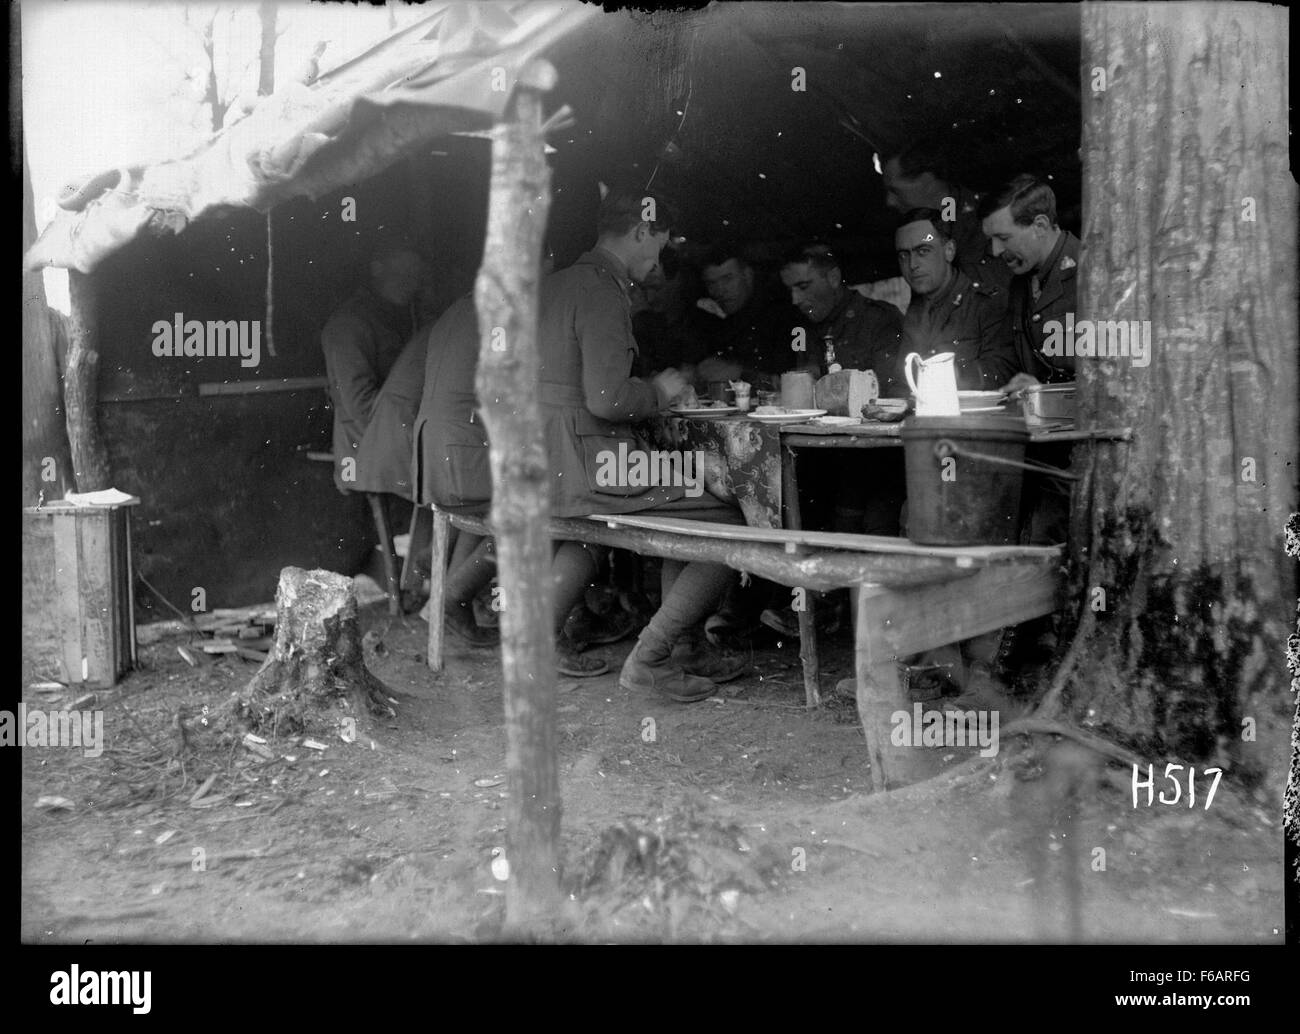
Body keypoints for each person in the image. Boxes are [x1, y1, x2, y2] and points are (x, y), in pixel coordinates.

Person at [538, 187, 746, 701]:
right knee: (730, 519)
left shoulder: (557, 284)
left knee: (683, 507)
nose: (659, 259)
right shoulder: (603, 289)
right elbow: (607, 399)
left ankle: (684, 647)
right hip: (590, 461)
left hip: (544, 459)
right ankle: (653, 655)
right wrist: (660, 391)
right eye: (659, 243)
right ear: (640, 231)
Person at [321, 243, 423, 494]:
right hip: (367, 458)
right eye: (403, 272)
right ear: (377, 268)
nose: (410, 282)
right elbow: (360, 406)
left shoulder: (403, 318)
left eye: (415, 275)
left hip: (394, 454)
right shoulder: (350, 324)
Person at [894, 208, 1018, 393]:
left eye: (923, 251)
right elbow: (900, 383)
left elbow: (1001, 372)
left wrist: (948, 376)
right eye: (904, 255)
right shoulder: (915, 312)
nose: (912, 265)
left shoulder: (986, 303)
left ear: (949, 250)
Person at [979, 174, 1080, 391]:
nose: (995, 251)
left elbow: (1118, 374)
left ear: (1040, 226)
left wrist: (1045, 394)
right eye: (991, 241)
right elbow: (1008, 361)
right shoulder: (1020, 285)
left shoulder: (1090, 275)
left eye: (1003, 238)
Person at [880, 140, 1011, 293]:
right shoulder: (924, 229)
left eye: (896, 191)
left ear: (926, 181)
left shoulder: (991, 219)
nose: (890, 201)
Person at [779, 243, 903, 382]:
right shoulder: (804, 330)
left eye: (803, 287)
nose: (795, 300)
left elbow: (891, 389)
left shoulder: (879, 320)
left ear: (833, 278)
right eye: (790, 290)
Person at [690, 244, 803, 390]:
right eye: (712, 283)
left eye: (728, 279)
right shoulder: (705, 318)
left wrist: (742, 374)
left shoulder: (783, 316)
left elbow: (795, 378)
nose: (720, 290)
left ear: (748, 275)